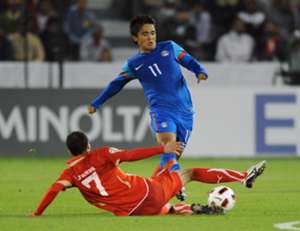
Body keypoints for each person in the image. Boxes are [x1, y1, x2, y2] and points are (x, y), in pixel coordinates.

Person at [88, 15, 208, 200]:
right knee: (169, 144)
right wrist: (97, 102)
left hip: (185, 112)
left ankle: (152, 192)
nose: (151, 37)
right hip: (161, 111)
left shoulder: (169, 47)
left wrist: (200, 71)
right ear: (135, 38)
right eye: (145, 34)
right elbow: (116, 84)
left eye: (153, 33)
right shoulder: (134, 64)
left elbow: (189, 61)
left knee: (172, 156)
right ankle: (177, 185)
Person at [31, 131, 266, 217]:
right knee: (188, 172)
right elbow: (132, 154)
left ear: (69, 151)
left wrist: (37, 213)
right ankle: (243, 176)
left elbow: (54, 189)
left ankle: (189, 207)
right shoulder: (101, 154)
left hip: (129, 211)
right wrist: (160, 148)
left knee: (163, 199)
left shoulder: (70, 173)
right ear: (88, 146)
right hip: (147, 193)